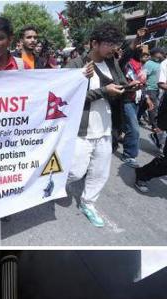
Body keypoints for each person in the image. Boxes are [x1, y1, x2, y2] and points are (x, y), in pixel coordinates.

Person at [65, 23, 128, 227]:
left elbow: (119, 84)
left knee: (100, 172)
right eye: (109, 44)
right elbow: (67, 98)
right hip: (82, 130)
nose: (113, 48)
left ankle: (88, 203)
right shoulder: (76, 64)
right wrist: (103, 91)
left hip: (106, 127)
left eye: (115, 44)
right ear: (94, 43)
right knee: (75, 171)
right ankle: (51, 183)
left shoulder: (112, 63)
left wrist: (130, 87)